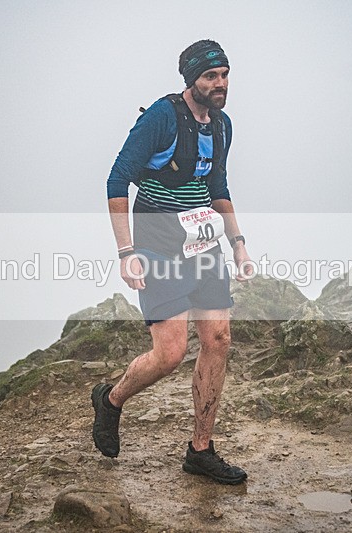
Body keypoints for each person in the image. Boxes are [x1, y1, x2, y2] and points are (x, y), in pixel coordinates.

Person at [93, 40, 253, 484]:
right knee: (170, 353)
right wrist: (126, 253)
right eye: (210, 77)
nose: (220, 84)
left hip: (203, 244)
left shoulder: (221, 126)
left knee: (218, 338)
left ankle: (200, 450)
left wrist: (238, 243)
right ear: (191, 80)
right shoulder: (161, 117)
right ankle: (111, 399)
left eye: (224, 75)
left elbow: (218, 186)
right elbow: (117, 180)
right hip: (157, 245)